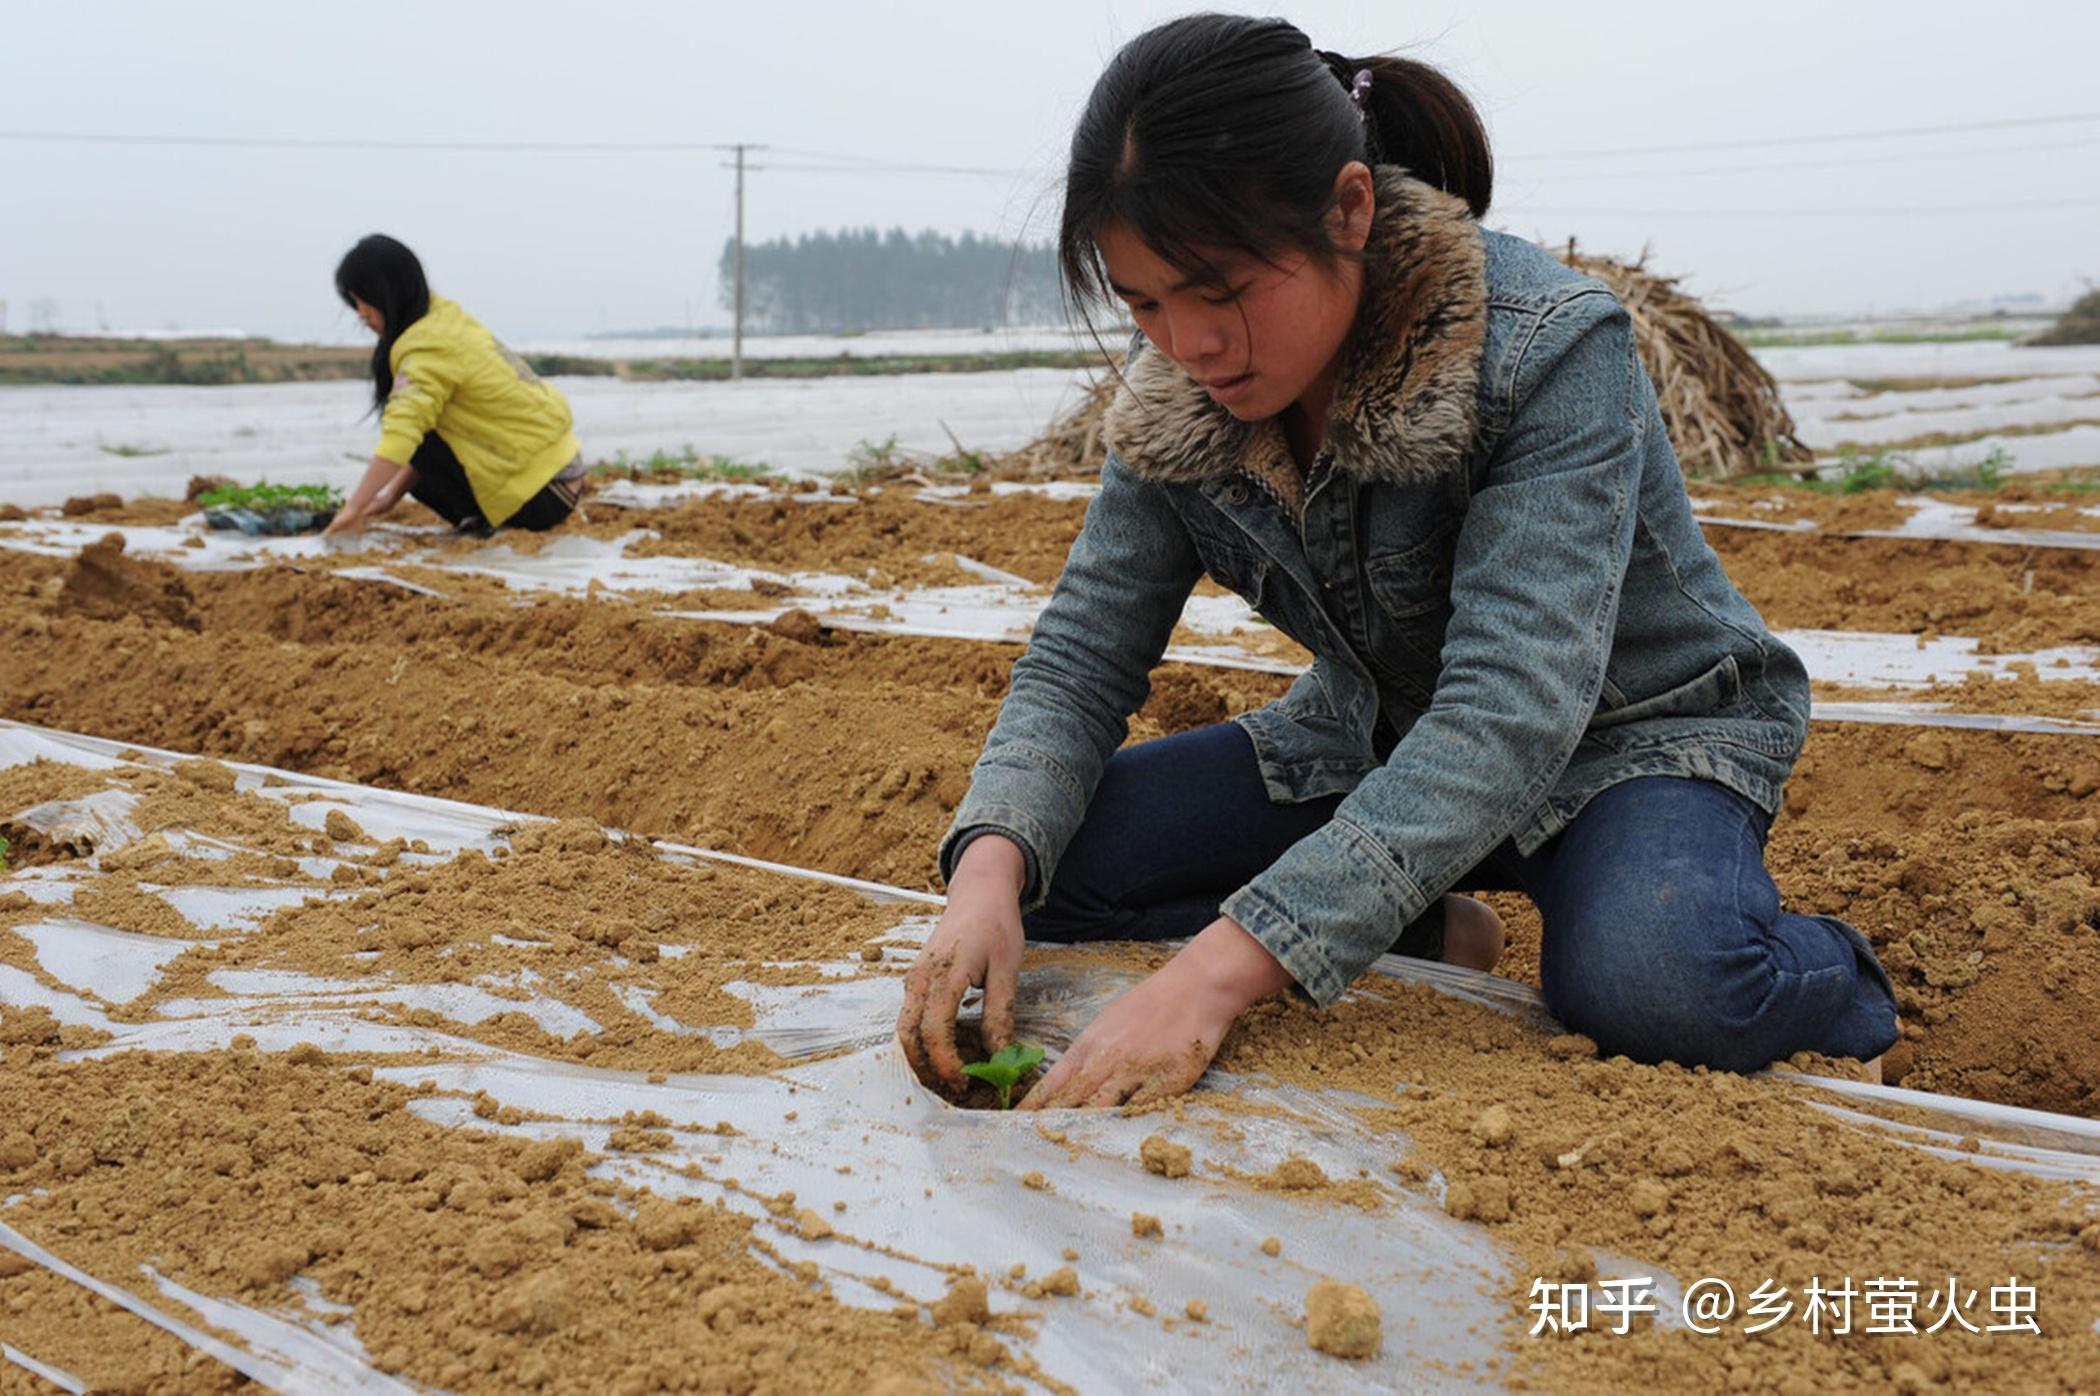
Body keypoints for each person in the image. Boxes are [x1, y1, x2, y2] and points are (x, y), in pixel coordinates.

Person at [896, 14, 1899, 1110]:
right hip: (1374, 742)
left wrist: (1218, 973)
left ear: (1350, 209)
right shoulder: (1182, 393)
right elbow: (1084, 651)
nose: (1190, 344)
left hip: (1631, 743)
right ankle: (1427, 923)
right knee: (1045, 867)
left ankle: (1829, 988)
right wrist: (989, 867)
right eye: (1143, 302)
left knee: (1654, 984)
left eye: (1221, 290)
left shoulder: (1547, 347)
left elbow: (1511, 710)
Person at [322, 234, 584, 539]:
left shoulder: (427, 348)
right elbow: (426, 445)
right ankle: (482, 518)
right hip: (561, 475)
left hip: (543, 493)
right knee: (421, 439)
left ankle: (490, 522)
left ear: (389, 292)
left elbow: (402, 438)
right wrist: (389, 497)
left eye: (363, 300)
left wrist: (353, 508)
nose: (361, 314)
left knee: (412, 430)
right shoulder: (443, 319)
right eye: (354, 303)